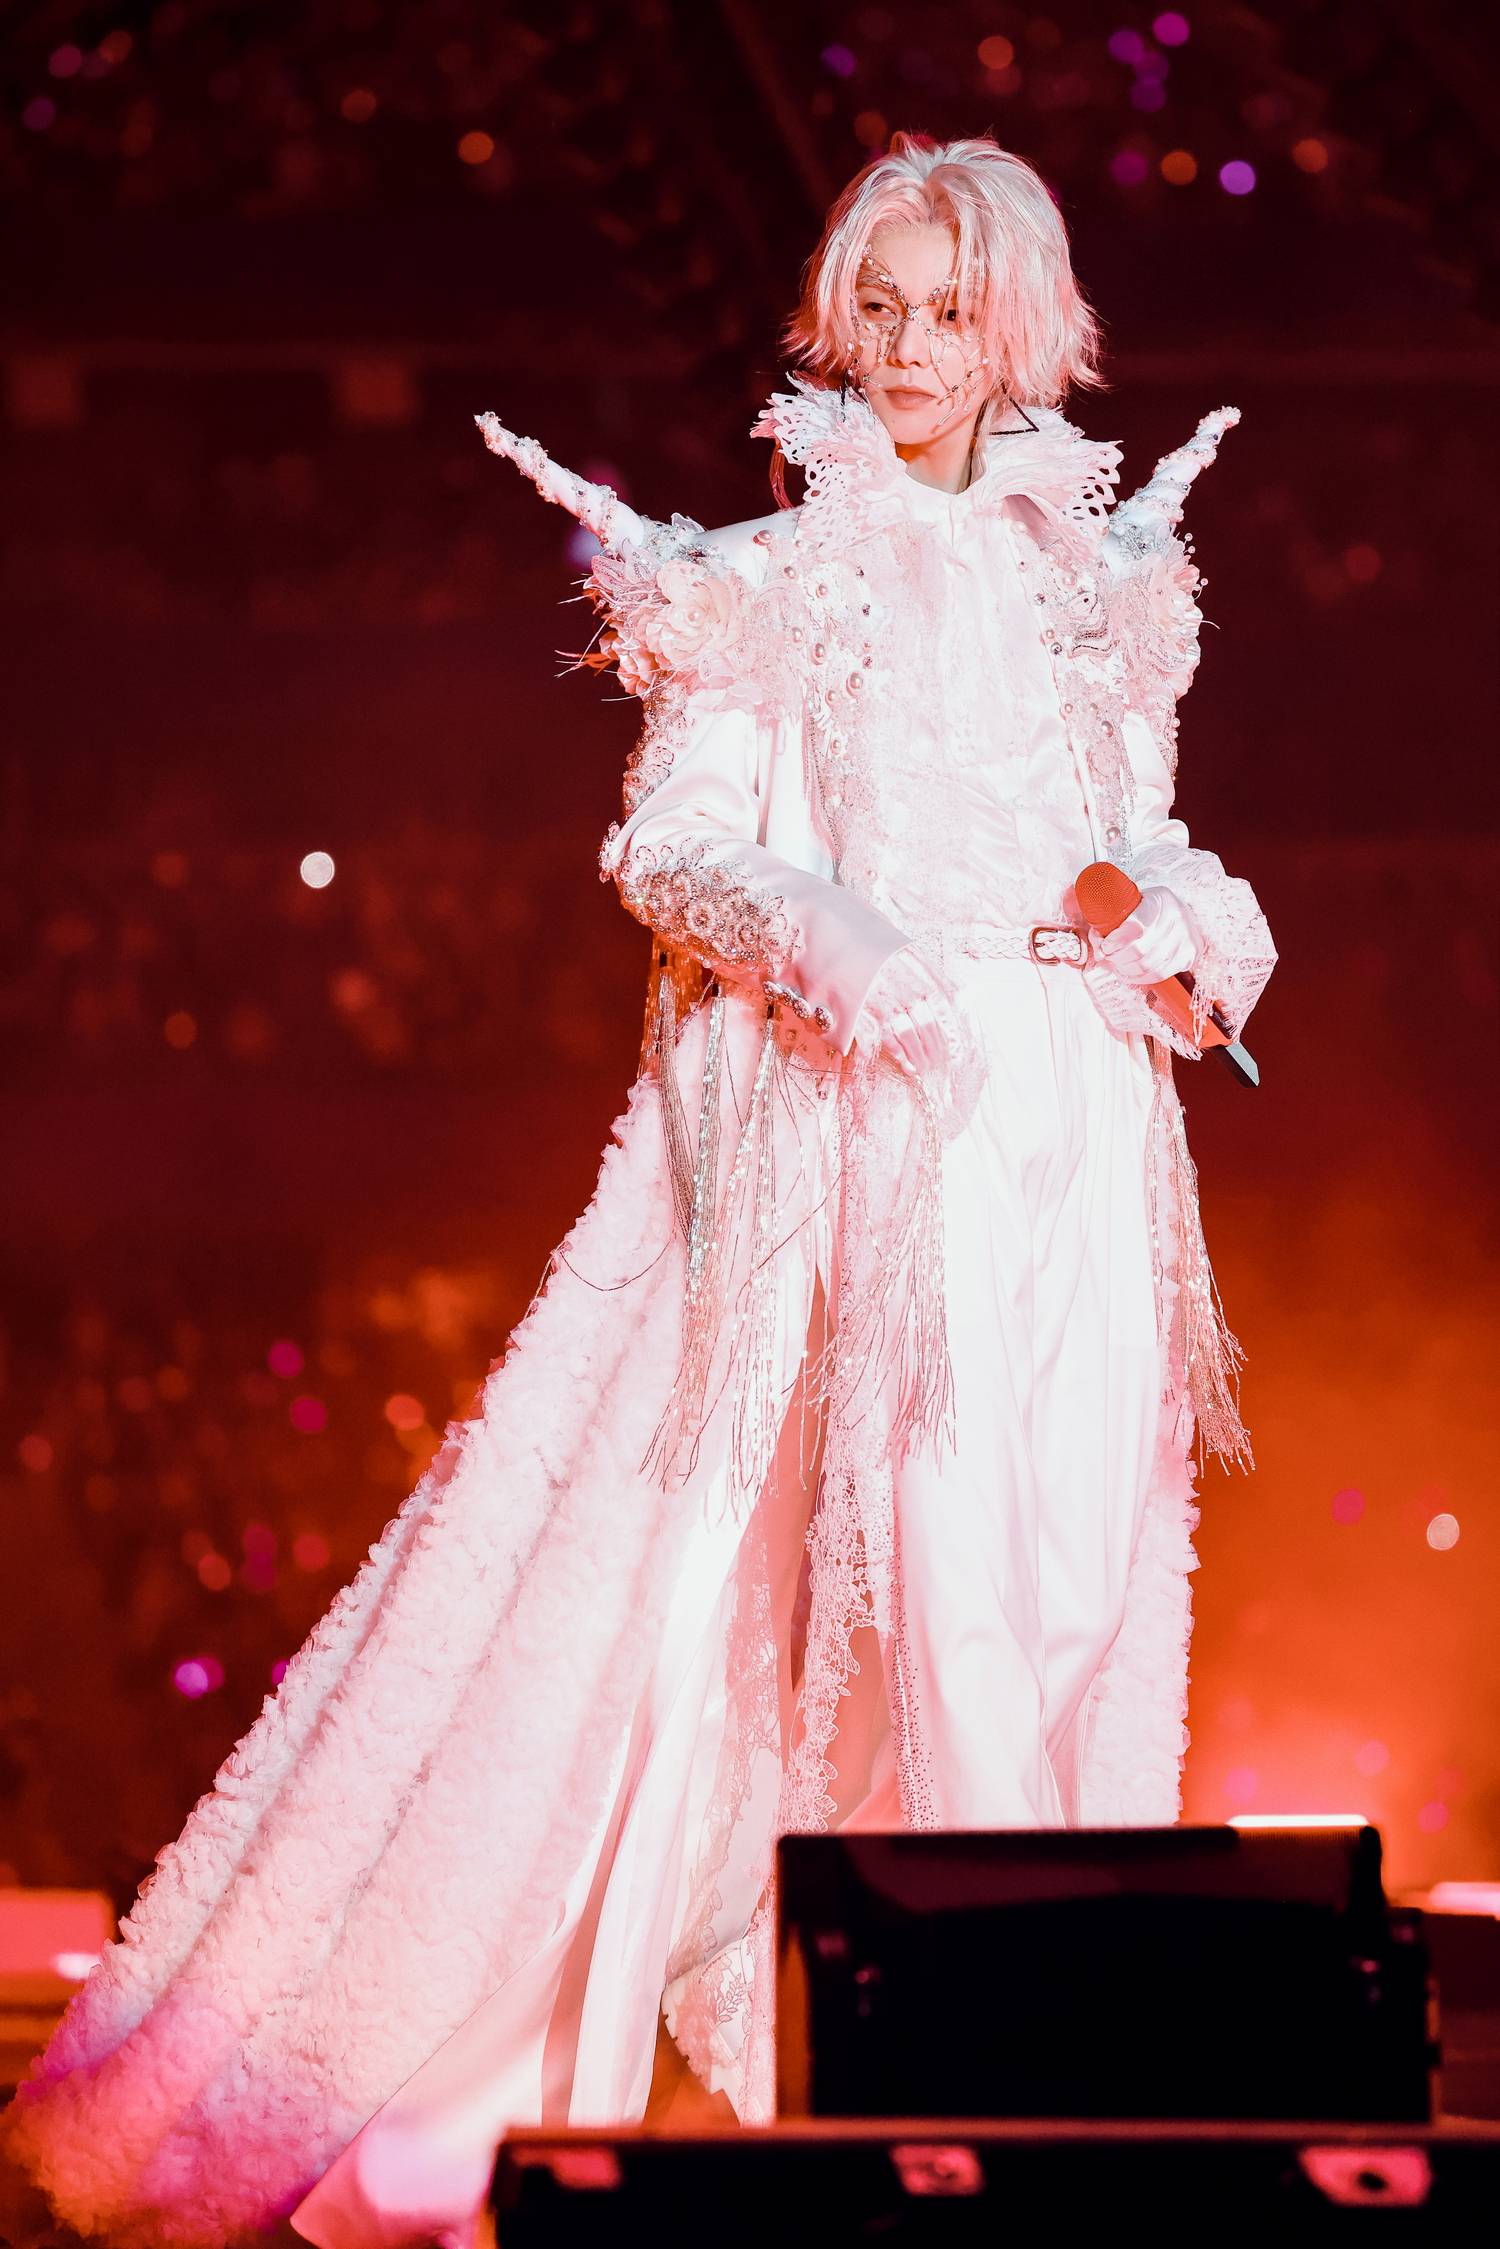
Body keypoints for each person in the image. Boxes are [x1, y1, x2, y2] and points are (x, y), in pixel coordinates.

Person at [1, 132, 1275, 2249]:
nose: (908, 348)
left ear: (1020, 328)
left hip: (1084, 1133)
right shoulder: (762, 584)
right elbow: (671, 847)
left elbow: (1124, 838)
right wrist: (830, 931)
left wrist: (1187, 926)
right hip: (885, 1134)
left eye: (949, 311)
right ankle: (973, 2091)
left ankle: (1021, 2037)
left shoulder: (1100, 592)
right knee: (937, 1584)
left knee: (1069, 1590)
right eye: (879, 307)